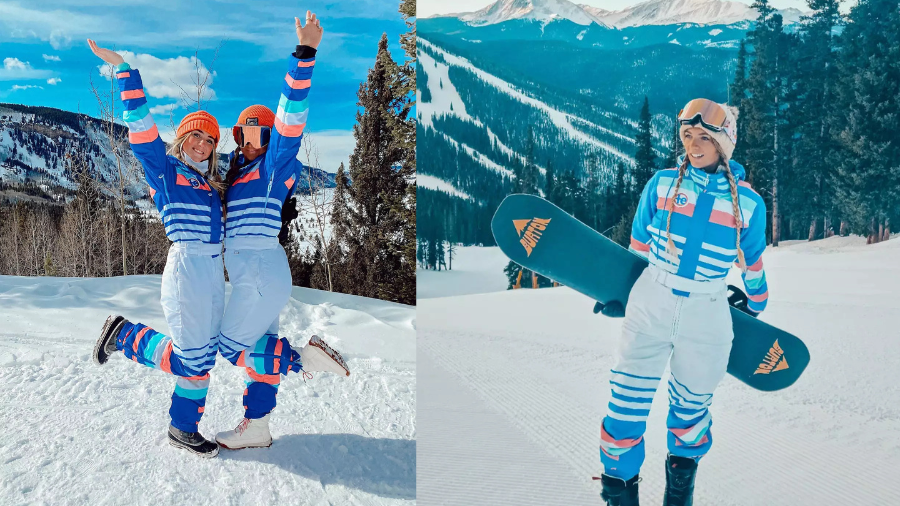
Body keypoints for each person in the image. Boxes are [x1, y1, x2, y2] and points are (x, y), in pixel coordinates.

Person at [597, 99, 769, 506]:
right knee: (624, 407)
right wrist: (621, 292)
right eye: (688, 135)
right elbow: (638, 247)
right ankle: (619, 496)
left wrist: (755, 305)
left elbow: (753, 264)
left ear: (724, 144)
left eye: (704, 137)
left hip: (706, 312)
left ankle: (679, 498)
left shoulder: (748, 205)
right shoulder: (660, 185)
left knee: (691, 415)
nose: (693, 145)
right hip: (651, 302)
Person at [213, 11, 350, 451]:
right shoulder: (238, 175)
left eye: (259, 133)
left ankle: (304, 358)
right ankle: (257, 426)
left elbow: (291, 119)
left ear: (271, 138)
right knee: (260, 350)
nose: (250, 141)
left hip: (259, 271)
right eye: (244, 133)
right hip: (257, 272)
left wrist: (304, 53)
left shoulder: (274, 166)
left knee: (230, 347)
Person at [87, 39, 227, 457]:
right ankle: (125, 335)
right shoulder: (166, 171)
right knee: (190, 359)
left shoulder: (210, 185)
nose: (202, 144)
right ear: (182, 138)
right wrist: (125, 72)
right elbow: (144, 134)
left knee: (204, 358)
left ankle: (184, 428)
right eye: (195, 135)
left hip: (212, 274)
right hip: (186, 270)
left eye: (210, 140)